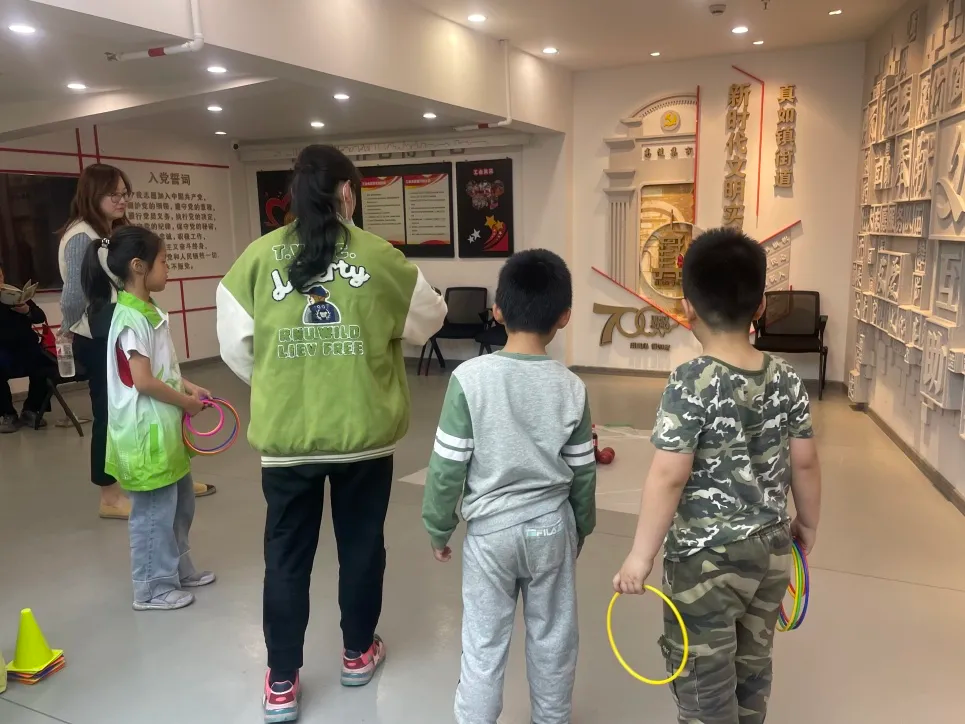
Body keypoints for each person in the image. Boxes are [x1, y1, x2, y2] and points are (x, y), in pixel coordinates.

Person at [217, 144, 447, 723]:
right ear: (348, 191)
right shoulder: (379, 257)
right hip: (362, 433)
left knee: (285, 555)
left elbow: (235, 348)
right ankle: (357, 653)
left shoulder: (256, 259)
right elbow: (429, 318)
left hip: (287, 439)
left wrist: (280, 381)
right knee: (362, 546)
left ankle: (281, 682)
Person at [613, 228, 822, 724]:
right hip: (771, 551)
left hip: (704, 562)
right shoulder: (787, 378)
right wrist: (807, 523)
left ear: (687, 307)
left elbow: (669, 475)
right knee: (752, 668)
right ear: (760, 307)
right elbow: (805, 461)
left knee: (704, 683)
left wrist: (640, 556)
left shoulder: (690, 381)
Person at [422, 249, 598, 724]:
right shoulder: (571, 387)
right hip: (551, 531)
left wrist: (439, 527)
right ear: (564, 316)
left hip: (490, 537)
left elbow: (447, 468)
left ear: (497, 311)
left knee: (483, 642)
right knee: (554, 639)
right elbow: (582, 472)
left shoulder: (469, 379)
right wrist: (580, 528)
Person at [58, 164, 215, 520]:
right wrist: (68, 331)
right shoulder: (82, 235)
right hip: (101, 337)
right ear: (91, 195)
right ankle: (110, 495)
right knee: (112, 414)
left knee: (156, 405)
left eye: (124, 193)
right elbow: (73, 296)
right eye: (113, 194)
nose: (121, 200)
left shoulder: (109, 232)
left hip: (121, 327)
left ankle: (170, 475)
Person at [81, 225, 215, 611]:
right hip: (145, 434)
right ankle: (151, 588)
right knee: (154, 513)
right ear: (139, 266)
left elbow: (160, 369)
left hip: (164, 428)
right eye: (164, 261)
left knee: (180, 504)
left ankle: (177, 569)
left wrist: (189, 387)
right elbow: (142, 381)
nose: (169, 268)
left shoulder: (148, 310)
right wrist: (186, 403)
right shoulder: (130, 318)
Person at [0, 265, 58, 433]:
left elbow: (40, 317)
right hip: (3, 351)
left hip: (27, 348)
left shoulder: (15, 293)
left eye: (1, 276)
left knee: (48, 365)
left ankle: (31, 410)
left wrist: (27, 310)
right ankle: (8, 414)